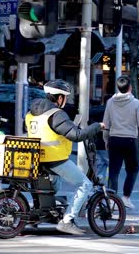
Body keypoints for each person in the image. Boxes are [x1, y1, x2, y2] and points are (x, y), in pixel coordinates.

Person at [25, 79, 104, 235]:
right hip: (55, 159)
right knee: (85, 184)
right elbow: (77, 135)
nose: (65, 100)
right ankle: (67, 220)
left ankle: (43, 213)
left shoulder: (31, 113)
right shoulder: (56, 114)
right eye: (65, 97)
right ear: (60, 98)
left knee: (53, 186)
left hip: (37, 159)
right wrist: (97, 126)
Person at [103, 75, 139, 209]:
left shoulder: (110, 102)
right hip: (131, 140)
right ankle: (125, 197)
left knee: (114, 171)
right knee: (133, 169)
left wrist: (106, 139)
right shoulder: (136, 103)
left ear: (118, 87)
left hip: (114, 139)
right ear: (130, 87)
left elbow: (106, 123)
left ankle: (112, 199)